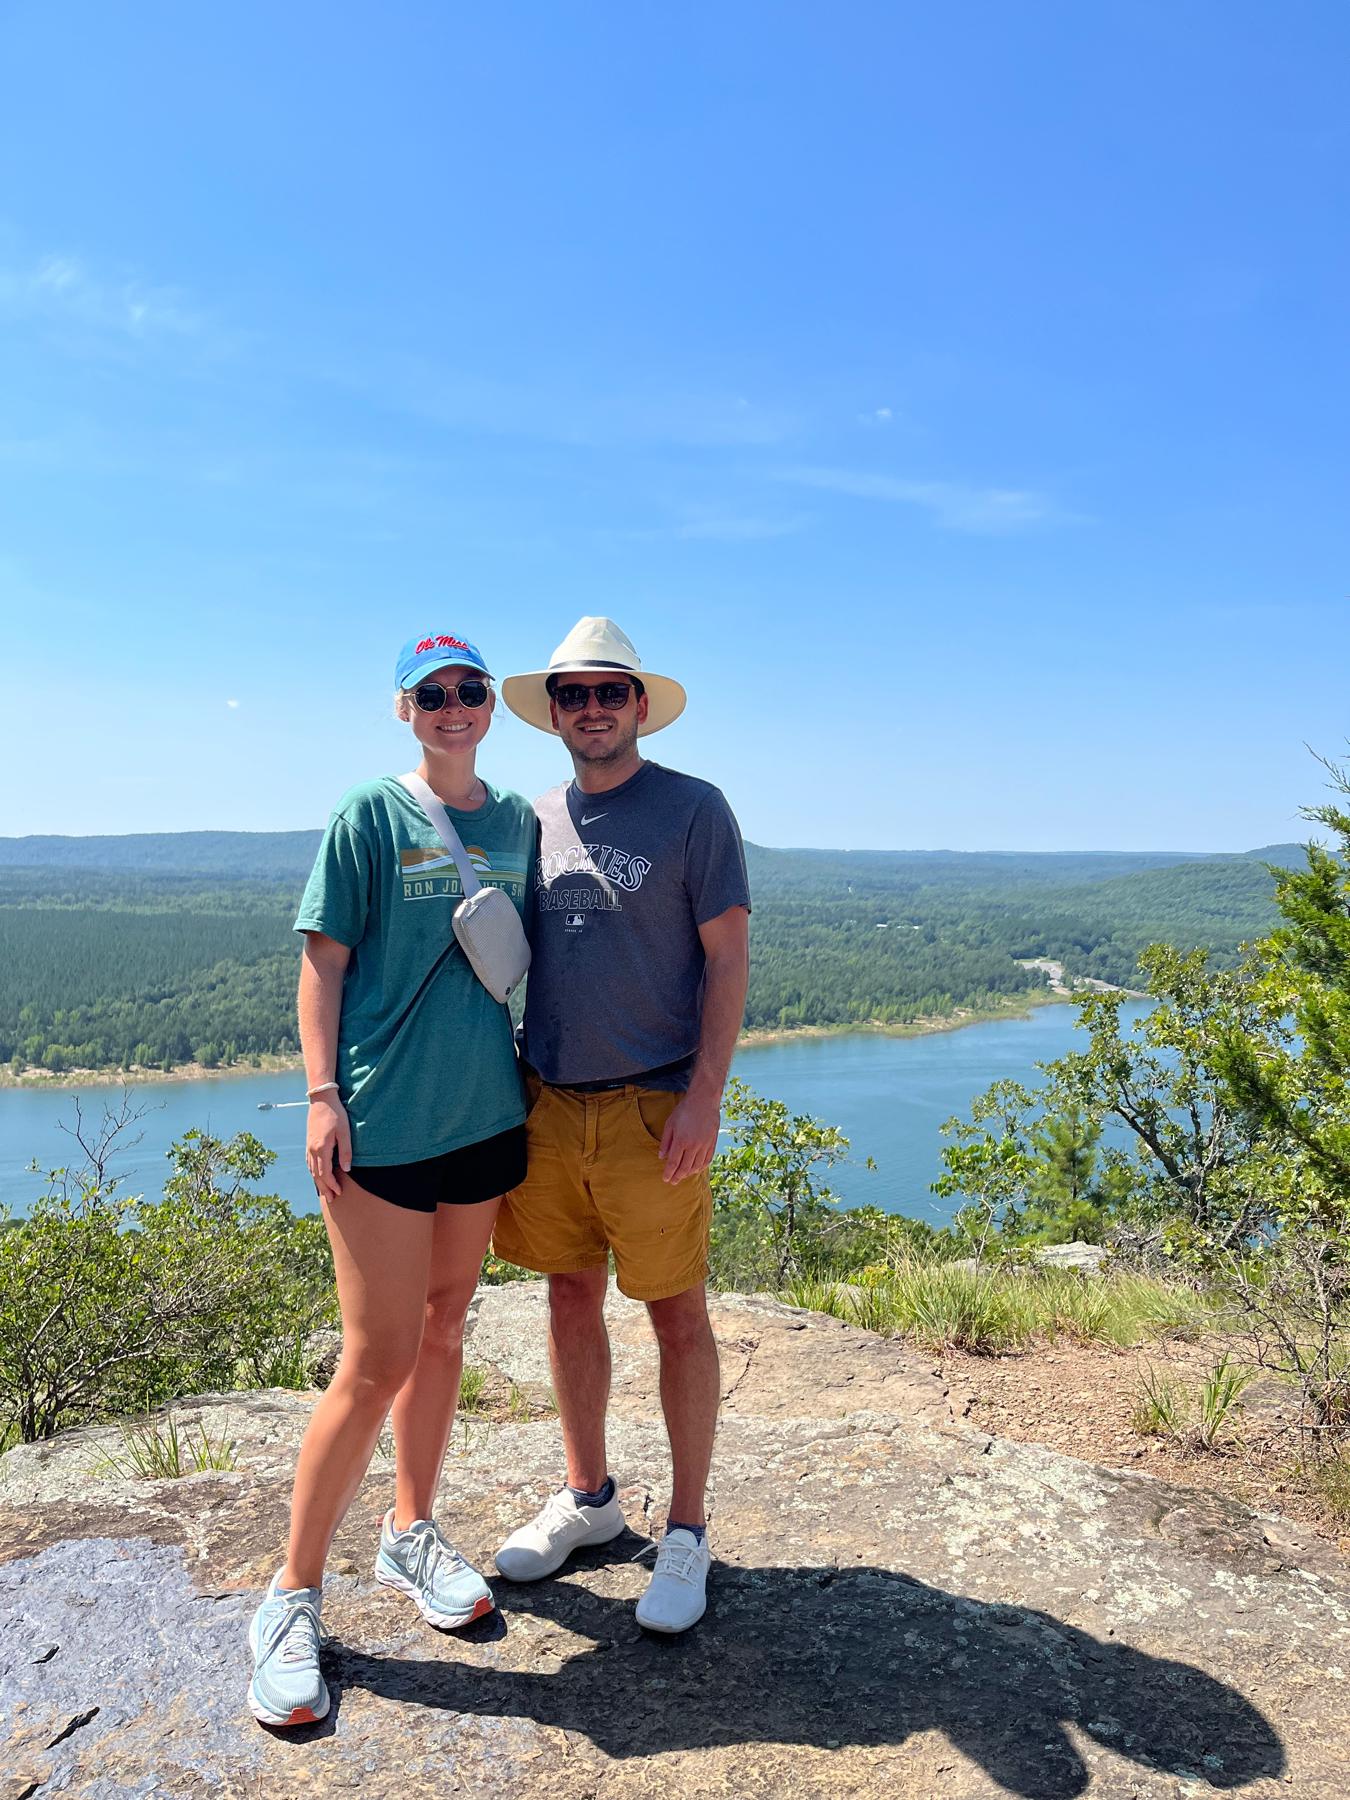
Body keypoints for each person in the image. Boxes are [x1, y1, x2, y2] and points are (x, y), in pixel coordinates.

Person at [246, 631, 535, 1729]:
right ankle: (289, 1597)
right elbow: (322, 960)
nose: (454, 708)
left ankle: (411, 1529)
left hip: (485, 1116)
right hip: (383, 1127)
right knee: (375, 1359)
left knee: (448, 1324)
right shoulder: (370, 815)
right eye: (434, 695)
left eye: (469, 692)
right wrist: (322, 1097)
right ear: (404, 710)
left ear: (488, 710)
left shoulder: (513, 823)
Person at [492, 617, 750, 1634]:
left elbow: (727, 960)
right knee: (567, 1296)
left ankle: (685, 1531)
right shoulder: (533, 817)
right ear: (553, 712)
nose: (592, 708)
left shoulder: (693, 810)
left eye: (610, 691)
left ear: (639, 705)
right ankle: (590, 1499)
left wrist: (705, 1098)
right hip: (549, 1102)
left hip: (654, 1103)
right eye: (573, 693)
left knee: (676, 1311)